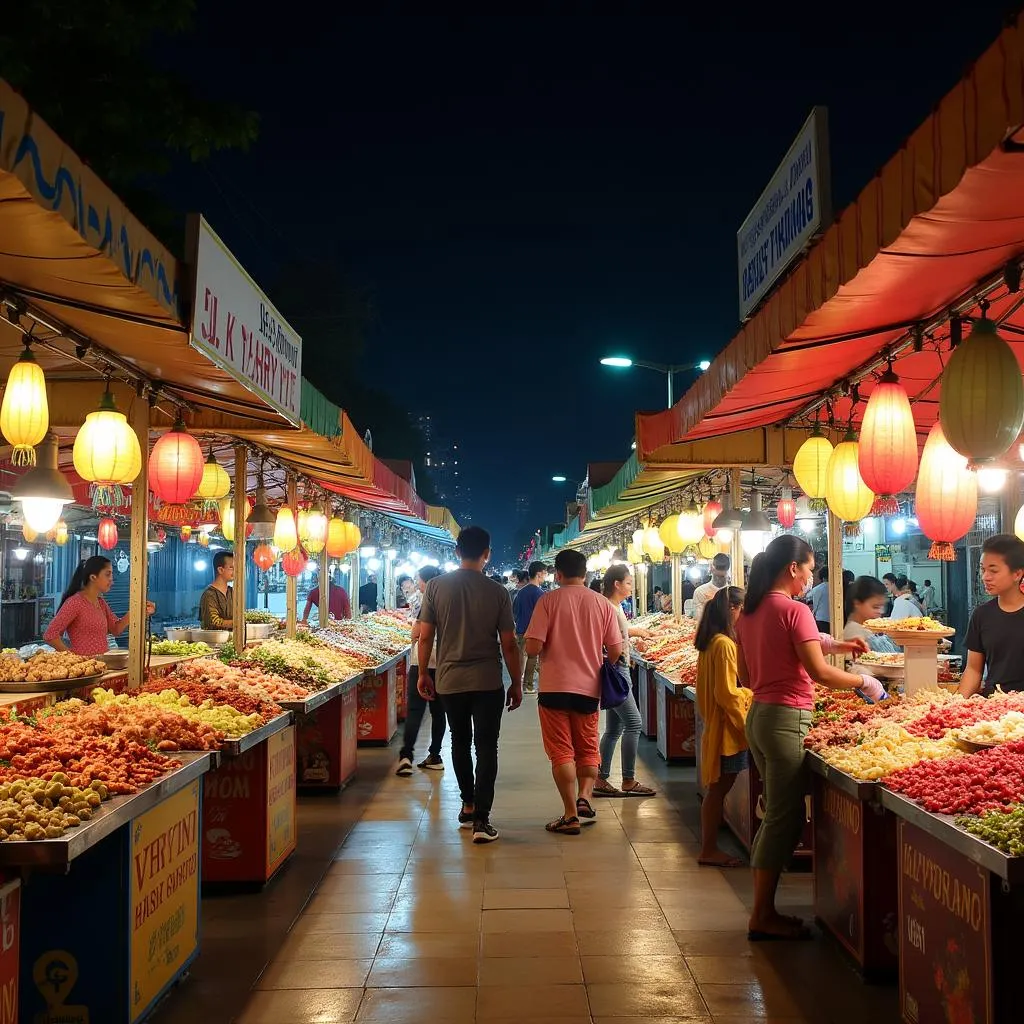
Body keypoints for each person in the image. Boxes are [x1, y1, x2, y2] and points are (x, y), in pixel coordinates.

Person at [736, 535, 884, 941]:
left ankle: (763, 909)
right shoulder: (794, 609)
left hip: (760, 717)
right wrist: (863, 681)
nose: (810, 575)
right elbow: (819, 673)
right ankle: (762, 915)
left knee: (774, 814)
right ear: (792, 568)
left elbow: (747, 676)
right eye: (809, 567)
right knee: (782, 821)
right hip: (786, 719)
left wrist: (836, 644)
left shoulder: (748, 613)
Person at [417, 526, 522, 844]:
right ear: (487, 554)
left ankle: (467, 804)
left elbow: (425, 635)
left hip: (450, 680)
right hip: (488, 681)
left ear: (456, 552)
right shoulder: (498, 591)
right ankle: (482, 821)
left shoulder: (435, 587)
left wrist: (424, 673)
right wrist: (516, 682)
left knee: (459, 743)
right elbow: (509, 643)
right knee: (487, 747)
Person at [525, 548, 623, 835]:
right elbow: (615, 651)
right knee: (587, 747)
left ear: (558, 573)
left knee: (561, 752)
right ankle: (585, 797)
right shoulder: (602, 604)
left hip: (554, 688)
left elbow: (532, 647)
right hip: (589, 689)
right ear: (586, 573)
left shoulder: (548, 601)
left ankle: (570, 814)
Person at [695, 586, 750, 867]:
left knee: (717, 789)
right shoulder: (725, 645)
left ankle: (709, 847)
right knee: (718, 790)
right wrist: (747, 724)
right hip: (727, 728)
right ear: (732, 609)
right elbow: (727, 694)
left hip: (716, 723)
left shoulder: (710, 641)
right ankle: (708, 849)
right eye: (742, 608)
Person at [594, 564, 656, 798]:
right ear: (616, 584)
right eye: (629, 582)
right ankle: (628, 779)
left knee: (613, 729)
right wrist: (619, 655)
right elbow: (611, 643)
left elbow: (618, 635)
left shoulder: (613, 607)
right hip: (617, 672)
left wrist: (631, 639)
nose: (632, 587)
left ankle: (601, 777)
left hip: (617, 670)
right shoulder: (610, 608)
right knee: (634, 723)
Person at [45, 556, 155, 656]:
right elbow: (50, 635)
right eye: (107, 574)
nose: (111, 578)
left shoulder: (101, 602)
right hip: (84, 671)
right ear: (93, 577)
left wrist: (137, 611)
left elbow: (116, 629)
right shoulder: (75, 602)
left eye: (112, 574)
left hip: (102, 667)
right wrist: (72, 658)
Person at [959, 534, 1024, 696]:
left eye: (993, 571)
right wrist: (956, 704)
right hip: (994, 707)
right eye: (983, 569)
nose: (985, 577)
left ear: (1017, 574)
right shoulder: (981, 615)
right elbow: (973, 669)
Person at [396, 566, 446, 775]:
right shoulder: (448, 599)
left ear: (427, 582)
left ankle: (406, 755)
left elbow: (419, 634)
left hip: (422, 662)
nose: (418, 585)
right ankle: (435, 755)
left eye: (419, 581)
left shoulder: (421, 600)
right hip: (444, 660)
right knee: (438, 711)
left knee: (416, 710)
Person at [512, 561, 547, 694]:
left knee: (523, 657)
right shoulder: (539, 593)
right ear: (539, 574)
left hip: (521, 629)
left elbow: (515, 611)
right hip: (532, 630)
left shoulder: (521, 592)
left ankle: (523, 682)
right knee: (532, 658)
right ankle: (528, 685)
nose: (545, 576)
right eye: (545, 573)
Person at [844, 576, 901, 654]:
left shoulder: (869, 628)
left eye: (882, 606)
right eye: (875, 607)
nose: (881, 611)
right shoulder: (853, 631)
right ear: (857, 603)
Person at [199, 551, 234, 629]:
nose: (235, 572)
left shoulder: (232, 592)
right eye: (231, 568)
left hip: (232, 638)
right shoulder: (209, 594)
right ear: (220, 570)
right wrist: (237, 622)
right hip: (213, 640)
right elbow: (213, 622)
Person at [693, 553, 730, 623]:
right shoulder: (700, 592)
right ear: (711, 569)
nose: (719, 579)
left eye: (722, 577)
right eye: (717, 576)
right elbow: (699, 619)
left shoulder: (732, 592)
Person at [807, 566, 830, 631]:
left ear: (821, 577)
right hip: (835, 620)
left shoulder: (816, 589)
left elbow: (809, 600)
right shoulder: (837, 589)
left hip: (820, 620)